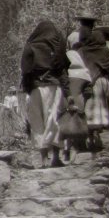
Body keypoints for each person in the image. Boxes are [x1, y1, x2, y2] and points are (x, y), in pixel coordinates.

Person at [21, 21, 69, 168]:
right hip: (53, 87)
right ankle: (55, 158)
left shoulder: (30, 46)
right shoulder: (57, 48)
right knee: (54, 121)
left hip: (35, 88)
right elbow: (63, 70)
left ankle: (43, 160)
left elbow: (25, 70)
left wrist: (29, 88)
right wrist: (67, 91)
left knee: (37, 122)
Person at [77, 27, 109, 151]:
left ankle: (89, 136)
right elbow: (108, 67)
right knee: (100, 109)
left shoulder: (81, 50)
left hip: (85, 83)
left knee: (88, 110)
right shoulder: (105, 51)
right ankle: (97, 134)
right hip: (100, 82)